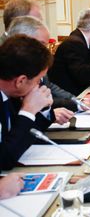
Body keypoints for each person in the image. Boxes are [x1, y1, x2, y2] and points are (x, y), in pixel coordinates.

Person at [8, 16, 90, 120]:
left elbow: (49, 91)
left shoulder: (37, 65)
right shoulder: (13, 78)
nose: (45, 51)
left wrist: (78, 103)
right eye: (41, 44)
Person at [0, 35, 55, 170]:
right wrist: (28, 111)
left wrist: (43, 107)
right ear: (20, 81)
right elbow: (4, 159)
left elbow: (33, 132)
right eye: (38, 80)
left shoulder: (14, 93)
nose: (39, 86)